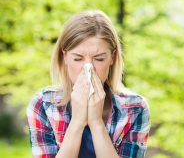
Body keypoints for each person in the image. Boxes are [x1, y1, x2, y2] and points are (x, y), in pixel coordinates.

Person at [26, 9, 150, 158]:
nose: (88, 69)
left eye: (99, 59)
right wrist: (77, 122)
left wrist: (96, 123)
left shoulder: (135, 108)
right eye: (78, 59)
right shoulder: (43, 105)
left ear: (112, 57)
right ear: (64, 56)